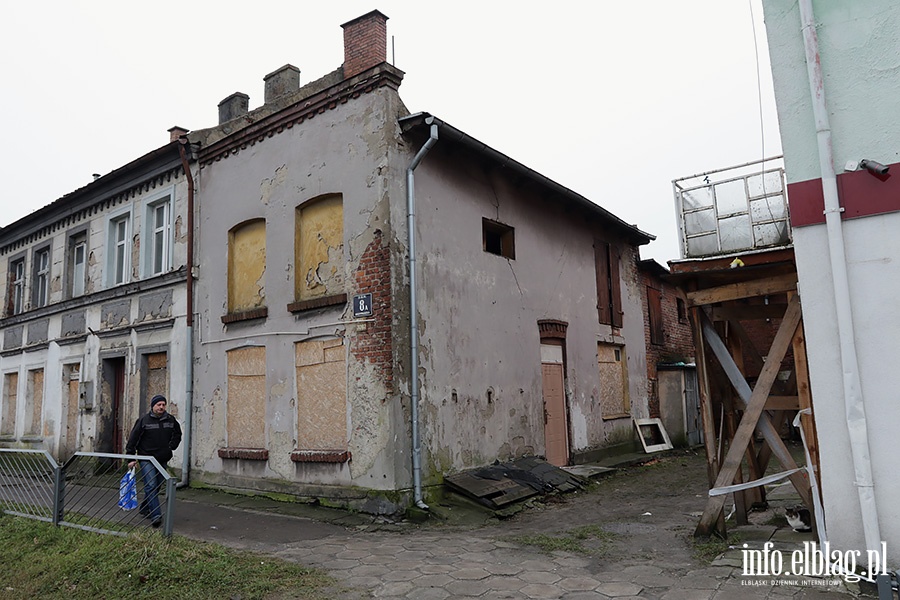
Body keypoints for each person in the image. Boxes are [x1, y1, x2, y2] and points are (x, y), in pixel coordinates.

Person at [125, 394, 182, 527]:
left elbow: (177, 434)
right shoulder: (144, 420)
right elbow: (133, 439)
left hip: (162, 458)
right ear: (153, 406)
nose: (161, 407)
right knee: (150, 485)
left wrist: (171, 447)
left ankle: (145, 508)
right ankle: (156, 514)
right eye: (158, 405)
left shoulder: (170, 420)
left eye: (163, 404)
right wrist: (131, 457)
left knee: (156, 486)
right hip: (147, 458)